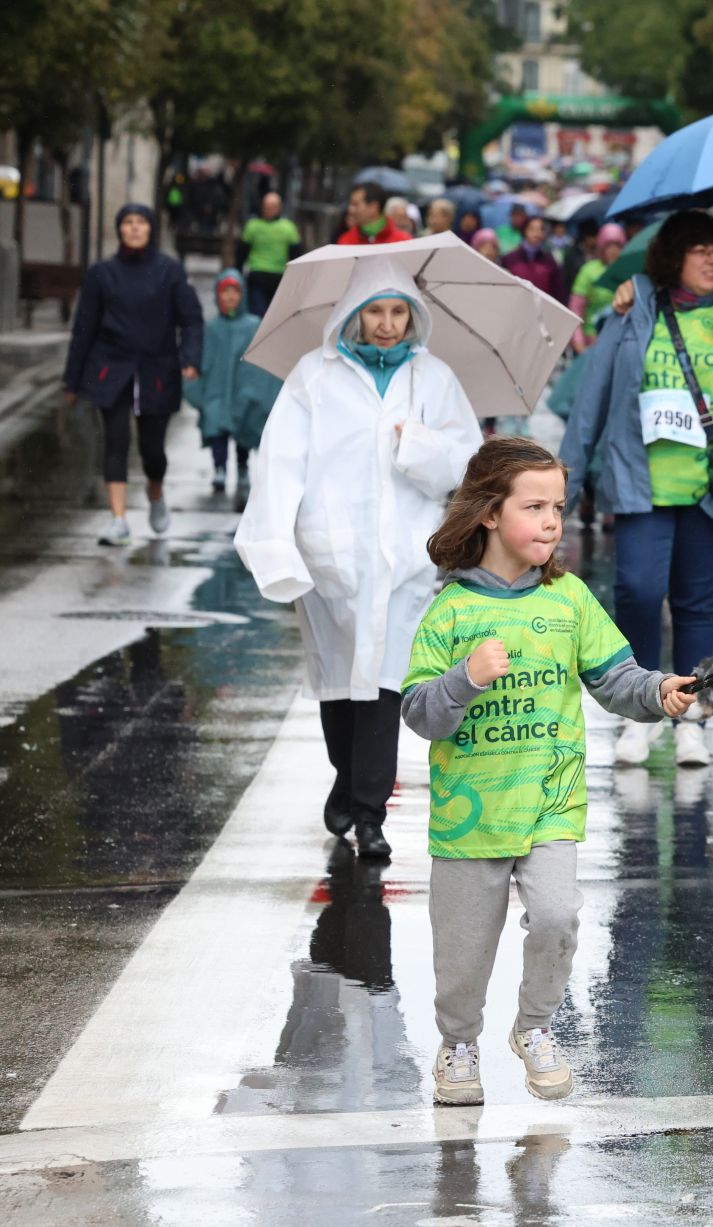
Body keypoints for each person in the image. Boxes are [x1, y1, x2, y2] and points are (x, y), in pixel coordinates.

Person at [402, 437, 695, 1107]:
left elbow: (616, 678)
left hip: (548, 803)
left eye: (558, 506)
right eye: (534, 506)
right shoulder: (451, 612)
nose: (551, 521)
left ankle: (533, 1027)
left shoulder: (569, 600)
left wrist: (658, 693)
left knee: (559, 916)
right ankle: (458, 1043)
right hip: (469, 813)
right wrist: (465, 679)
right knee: (464, 949)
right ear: (488, 514)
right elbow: (420, 712)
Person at [235, 256, 482, 858]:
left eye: (399, 312)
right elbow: (281, 463)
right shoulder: (313, 378)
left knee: (387, 683)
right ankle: (346, 779)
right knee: (341, 686)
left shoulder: (434, 379)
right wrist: (277, 542)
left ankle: (371, 815)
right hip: (333, 559)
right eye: (376, 310)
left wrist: (417, 445)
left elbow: (469, 462)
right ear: (352, 314)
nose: (388, 324)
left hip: (407, 561)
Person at [561, 210, 713, 768]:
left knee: (697, 604)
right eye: (699, 250)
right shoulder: (630, 314)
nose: (712, 259)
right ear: (673, 258)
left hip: (710, 487)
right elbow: (590, 404)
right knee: (640, 593)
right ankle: (641, 711)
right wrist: (565, 486)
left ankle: (691, 718)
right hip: (640, 482)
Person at [63, 203, 203, 547]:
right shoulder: (101, 274)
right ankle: (119, 519)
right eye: (128, 222)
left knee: (153, 450)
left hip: (157, 369)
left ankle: (156, 495)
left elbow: (191, 318)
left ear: (151, 228)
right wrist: (72, 379)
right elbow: (84, 328)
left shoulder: (169, 271)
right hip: (110, 367)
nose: (135, 228)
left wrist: (190, 358)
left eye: (141, 222)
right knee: (115, 442)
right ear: (120, 229)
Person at [184, 269, 280, 492]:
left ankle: (242, 465)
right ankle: (219, 467)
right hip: (216, 387)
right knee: (216, 425)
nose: (230, 297)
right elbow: (204, 355)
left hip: (243, 386)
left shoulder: (253, 325)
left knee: (244, 426)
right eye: (225, 292)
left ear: (242, 294)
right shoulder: (212, 327)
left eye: (234, 292)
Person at [240, 191, 301, 317]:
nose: (269, 210)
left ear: (279, 207)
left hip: (279, 277)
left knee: (274, 316)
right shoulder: (252, 226)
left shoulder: (288, 228)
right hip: (257, 275)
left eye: (272, 207)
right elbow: (241, 253)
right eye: (267, 206)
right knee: (257, 314)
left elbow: (295, 256)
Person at [568, 223, 627, 351]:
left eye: (617, 246)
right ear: (601, 247)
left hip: (621, 341)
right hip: (592, 341)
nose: (613, 251)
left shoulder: (628, 271)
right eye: (609, 246)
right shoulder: (588, 271)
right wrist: (579, 345)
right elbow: (575, 311)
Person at [502, 215, 566, 301]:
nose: (537, 233)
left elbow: (559, 292)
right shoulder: (509, 259)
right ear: (524, 231)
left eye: (540, 229)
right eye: (532, 229)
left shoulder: (550, 261)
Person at [337, 183, 410, 245]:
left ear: (373, 207)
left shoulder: (402, 241)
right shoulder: (346, 241)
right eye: (350, 204)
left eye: (356, 204)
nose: (350, 209)